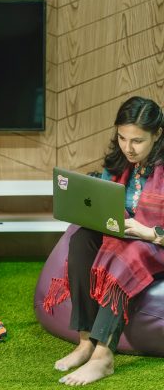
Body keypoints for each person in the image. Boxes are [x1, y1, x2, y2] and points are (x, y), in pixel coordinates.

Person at [43, 96, 164, 385]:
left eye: (137, 141)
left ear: (157, 134)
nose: (128, 148)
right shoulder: (121, 162)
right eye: (122, 137)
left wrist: (148, 233)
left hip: (152, 243)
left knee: (129, 251)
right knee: (82, 241)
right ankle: (85, 341)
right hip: (124, 234)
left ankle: (103, 355)